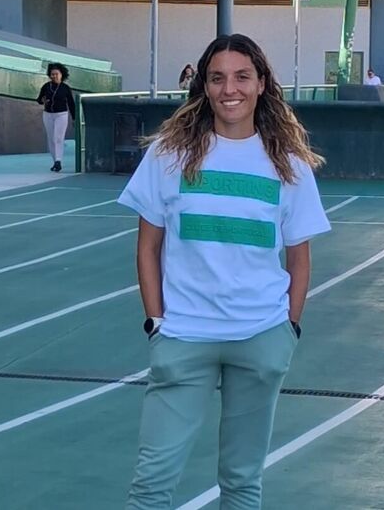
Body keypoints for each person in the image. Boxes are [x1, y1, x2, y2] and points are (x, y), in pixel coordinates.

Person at [118, 33, 331, 509]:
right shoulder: (169, 155)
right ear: (204, 86)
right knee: (151, 485)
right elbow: (147, 246)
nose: (229, 89)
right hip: (183, 337)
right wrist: (156, 322)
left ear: (261, 84)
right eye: (217, 78)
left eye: (241, 77)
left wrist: (288, 329)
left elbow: (299, 257)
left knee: (242, 482)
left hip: (260, 338)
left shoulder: (289, 164)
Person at [36, 62, 75, 172]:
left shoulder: (65, 88)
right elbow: (39, 99)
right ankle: (55, 161)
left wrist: (74, 118)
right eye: (52, 74)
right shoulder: (46, 86)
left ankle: (58, 160)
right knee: (51, 138)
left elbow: (71, 104)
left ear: (61, 75)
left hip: (61, 115)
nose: (54, 76)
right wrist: (42, 101)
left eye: (56, 74)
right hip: (48, 114)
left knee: (58, 137)